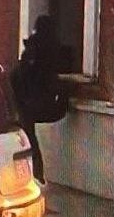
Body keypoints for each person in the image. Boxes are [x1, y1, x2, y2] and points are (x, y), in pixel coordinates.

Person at [10, 15, 72, 184]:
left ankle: (36, 175)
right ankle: (37, 175)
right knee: (30, 140)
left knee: (29, 140)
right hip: (45, 104)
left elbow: (19, 76)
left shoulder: (33, 49)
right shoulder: (52, 50)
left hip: (28, 105)